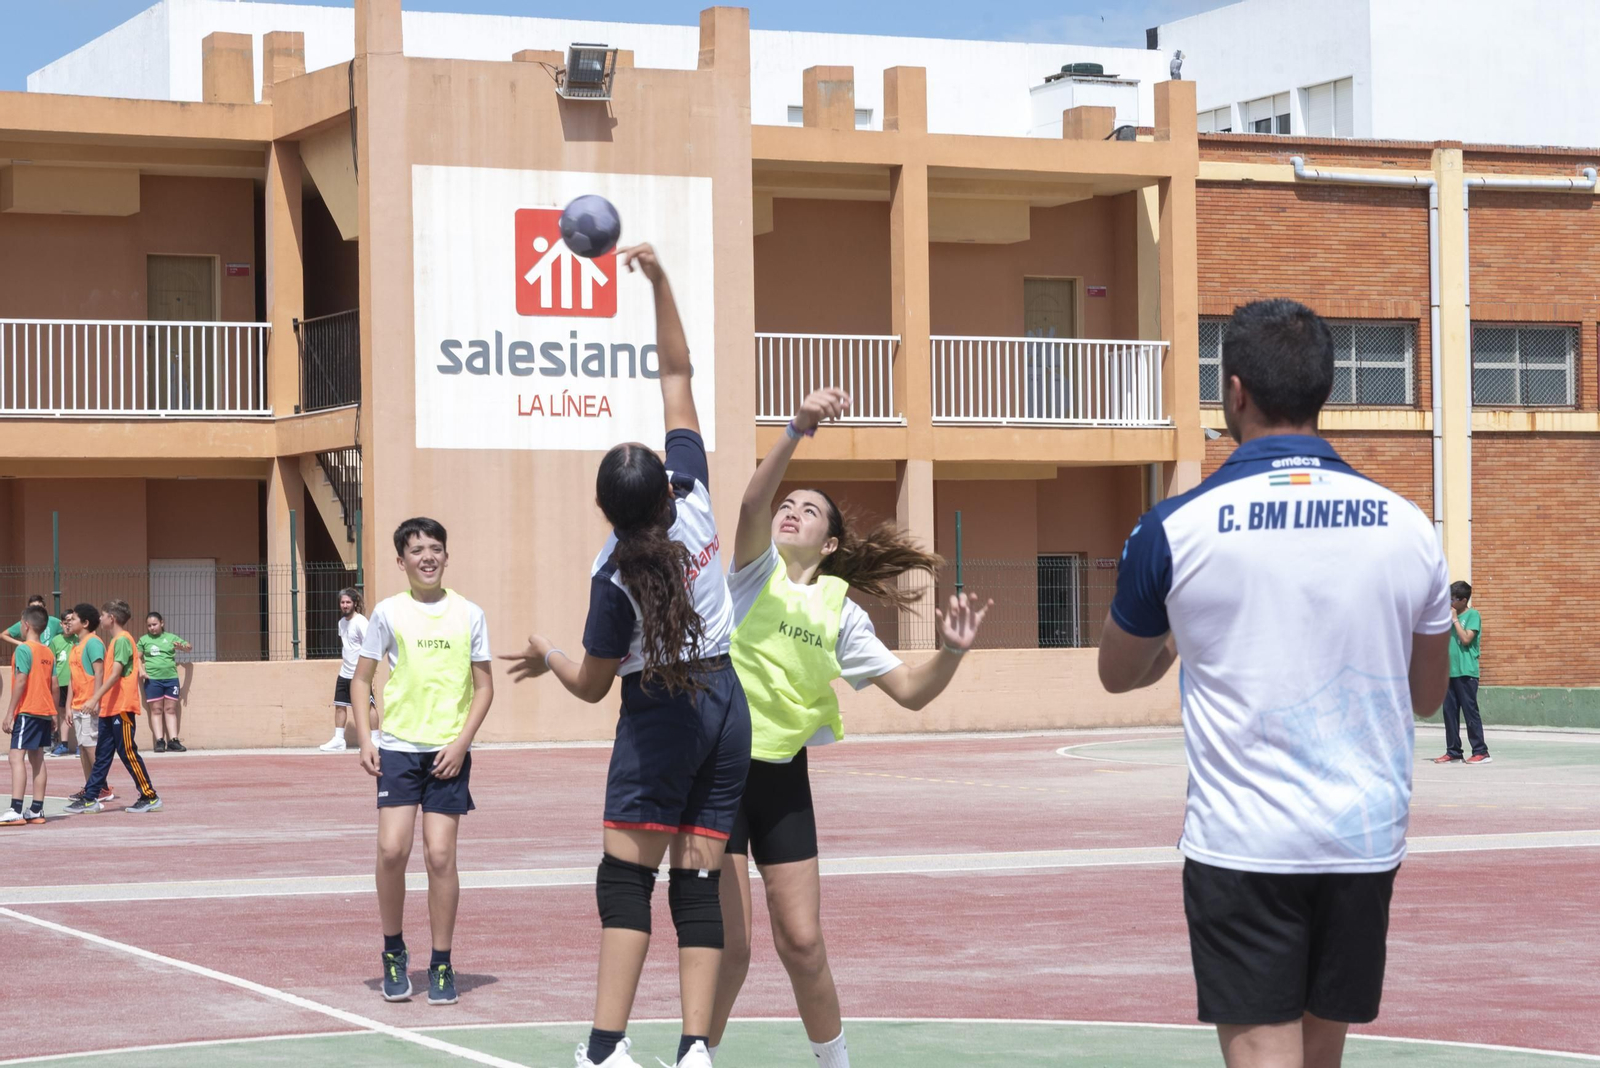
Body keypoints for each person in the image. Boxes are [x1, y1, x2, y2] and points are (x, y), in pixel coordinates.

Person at [1097, 299, 1452, 1068]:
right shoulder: (1410, 527)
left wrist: (1179, 636)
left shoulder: (1174, 528)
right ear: (1325, 388)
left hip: (1244, 843)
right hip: (1362, 839)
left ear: (1234, 391)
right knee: (1322, 1057)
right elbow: (1428, 696)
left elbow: (1118, 673)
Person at [502, 243, 746, 1068]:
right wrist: (663, 280)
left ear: (606, 509)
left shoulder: (613, 578)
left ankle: (606, 1050)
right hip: (727, 705)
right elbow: (677, 372)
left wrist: (548, 655)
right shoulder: (695, 495)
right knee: (697, 882)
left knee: (626, 882)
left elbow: (591, 685)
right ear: (663, 489)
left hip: (660, 716)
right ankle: (695, 1050)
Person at [708, 387, 992, 1068]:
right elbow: (750, 505)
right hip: (716, 771)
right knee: (733, 947)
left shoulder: (842, 612)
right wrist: (794, 430)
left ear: (830, 543)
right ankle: (698, 1055)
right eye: (789, 503)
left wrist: (951, 654)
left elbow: (911, 693)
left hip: (781, 779)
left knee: (802, 942)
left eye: (808, 510)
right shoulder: (753, 574)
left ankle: (835, 1061)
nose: (790, 510)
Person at [351, 518, 493, 1008]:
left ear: (446, 557)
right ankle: (393, 952)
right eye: (417, 550)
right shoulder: (388, 613)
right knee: (392, 850)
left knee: (440, 856)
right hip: (398, 748)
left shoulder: (470, 614)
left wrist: (462, 744)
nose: (427, 557)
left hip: (448, 752)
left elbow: (484, 687)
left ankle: (441, 963)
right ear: (401, 560)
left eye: (435, 548)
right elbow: (360, 679)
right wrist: (366, 738)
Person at [65, 600, 161, 814]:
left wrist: (94, 698)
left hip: (122, 708)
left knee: (128, 752)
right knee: (103, 754)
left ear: (112, 618)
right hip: (110, 708)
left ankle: (149, 795)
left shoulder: (123, 640)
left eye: (103, 615)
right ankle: (90, 797)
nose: (100, 618)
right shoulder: (114, 642)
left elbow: (115, 674)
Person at [3, 605, 57, 825]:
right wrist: (54, 713)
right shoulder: (48, 652)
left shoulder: (24, 650)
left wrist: (10, 713)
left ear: (25, 625)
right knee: (37, 758)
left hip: (28, 709)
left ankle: (15, 809)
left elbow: (21, 680)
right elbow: (54, 685)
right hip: (44, 711)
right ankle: (36, 809)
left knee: (15, 757)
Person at [60, 605, 115, 806]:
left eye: (73, 619)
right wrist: (68, 706)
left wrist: (96, 700)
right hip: (78, 705)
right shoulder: (76, 646)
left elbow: (99, 673)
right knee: (83, 747)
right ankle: (90, 786)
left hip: (89, 704)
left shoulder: (93, 643)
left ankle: (102, 788)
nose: (69, 622)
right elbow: (72, 680)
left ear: (85, 623)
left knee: (91, 747)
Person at [1435, 581, 1490, 766]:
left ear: (1463, 600)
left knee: (1470, 712)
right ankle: (1453, 751)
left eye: (1453, 599)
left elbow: (1466, 639)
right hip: (1448, 672)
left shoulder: (1472, 615)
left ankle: (1481, 751)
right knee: (1449, 713)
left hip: (1466, 672)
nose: (1449, 602)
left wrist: (1455, 620)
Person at [323, 588, 378, 752]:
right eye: (342, 602)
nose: (345, 605)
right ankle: (339, 740)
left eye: (348, 602)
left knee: (368, 705)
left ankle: (375, 739)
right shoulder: (341, 623)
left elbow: (370, 645)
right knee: (340, 705)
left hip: (360, 674)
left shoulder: (361, 622)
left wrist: (369, 673)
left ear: (354, 603)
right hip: (344, 672)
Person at [138, 612, 192, 753]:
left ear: (162, 623)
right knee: (156, 710)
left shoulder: (171, 637)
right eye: (149, 625)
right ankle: (159, 741)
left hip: (171, 679)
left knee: (170, 709)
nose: (152, 628)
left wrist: (182, 647)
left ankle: (173, 741)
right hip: (152, 680)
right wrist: (141, 671)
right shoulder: (144, 640)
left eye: (154, 624)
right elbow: (137, 658)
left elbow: (188, 647)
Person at [47, 619, 76, 758]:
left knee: (77, 712)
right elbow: (51, 661)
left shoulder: (78, 638)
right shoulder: (56, 640)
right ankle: (64, 744)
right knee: (63, 713)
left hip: (76, 682)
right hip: (61, 682)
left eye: (71, 622)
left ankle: (80, 746)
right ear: (61, 624)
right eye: (65, 623)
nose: (68, 625)